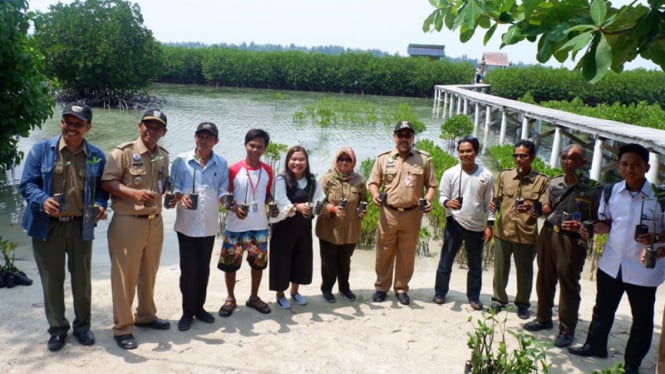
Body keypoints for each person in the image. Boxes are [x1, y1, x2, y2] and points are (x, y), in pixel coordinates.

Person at [569, 143, 665, 374]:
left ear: (647, 167)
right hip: (612, 264)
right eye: (624, 164)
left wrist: (656, 236)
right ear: (619, 165)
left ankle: (632, 363)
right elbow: (607, 224)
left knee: (642, 319)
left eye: (636, 165)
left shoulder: (660, 197)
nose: (629, 169)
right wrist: (591, 229)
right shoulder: (611, 191)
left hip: (644, 268)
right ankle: (595, 345)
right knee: (602, 308)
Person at [20, 103, 108, 352]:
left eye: (77, 123)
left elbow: (102, 191)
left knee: (82, 281)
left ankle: (82, 327)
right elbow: (27, 184)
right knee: (52, 281)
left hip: (81, 227)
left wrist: (100, 206)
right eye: (67, 121)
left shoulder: (96, 156)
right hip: (46, 226)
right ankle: (58, 329)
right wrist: (42, 200)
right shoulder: (40, 150)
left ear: (88, 128)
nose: (71, 127)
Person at [101, 109, 170, 350]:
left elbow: (164, 185)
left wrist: (172, 195)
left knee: (149, 272)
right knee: (124, 278)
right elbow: (107, 181)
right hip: (127, 221)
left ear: (164, 132)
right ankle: (123, 327)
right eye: (148, 126)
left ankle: (146, 315)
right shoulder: (124, 153)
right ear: (139, 126)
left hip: (155, 220)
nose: (152, 131)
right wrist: (133, 193)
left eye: (157, 127)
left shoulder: (163, 155)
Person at [523, 144, 602, 348]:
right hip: (549, 234)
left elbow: (600, 219)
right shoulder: (555, 182)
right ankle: (543, 318)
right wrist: (536, 211)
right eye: (564, 157)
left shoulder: (593, 188)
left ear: (583, 163)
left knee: (568, 284)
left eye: (574, 158)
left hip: (572, 241)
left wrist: (583, 225)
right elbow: (548, 206)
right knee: (544, 278)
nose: (568, 161)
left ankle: (567, 330)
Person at [367, 120, 437, 305]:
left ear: (413, 138)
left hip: (412, 214)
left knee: (407, 253)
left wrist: (428, 200)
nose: (404, 139)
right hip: (388, 212)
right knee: (384, 251)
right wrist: (375, 195)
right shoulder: (383, 159)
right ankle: (381, 287)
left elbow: (431, 185)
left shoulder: (423, 159)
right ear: (394, 137)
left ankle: (401, 288)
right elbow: (373, 182)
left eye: (408, 135)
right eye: (401, 135)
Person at [170, 122, 229, 331]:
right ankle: (187, 311)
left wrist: (226, 201)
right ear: (195, 137)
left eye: (209, 137)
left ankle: (200, 308)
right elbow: (173, 187)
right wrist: (180, 196)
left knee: (203, 268)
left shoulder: (221, 163)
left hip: (209, 225)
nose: (204, 140)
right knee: (188, 270)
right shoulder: (180, 161)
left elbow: (222, 190)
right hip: (187, 224)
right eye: (200, 136)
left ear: (216, 141)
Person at [432, 136, 494, 311]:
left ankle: (473, 297)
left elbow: (491, 203)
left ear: (476, 152)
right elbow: (441, 195)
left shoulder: (486, 175)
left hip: (476, 226)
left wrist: (490, 226)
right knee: (446, 261)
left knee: (475, 265)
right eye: (461, 151)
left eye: (468, 151)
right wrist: (447, 203)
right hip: (454, 223)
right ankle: (440, 293)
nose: (465, 154)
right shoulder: (450, 173)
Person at [489, 139, 549, 319]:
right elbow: (496, 200)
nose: (518, 159)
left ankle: (522, 304)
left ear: (532, 157)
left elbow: (545, 208)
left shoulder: (542, 181)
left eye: (523, 156)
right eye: (516, 155)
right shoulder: (505, 176)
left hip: (526, 234)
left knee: (525, 272)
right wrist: (493, 207)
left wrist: (532, 206)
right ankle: (498, 300)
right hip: (503, 231)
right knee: (500, 270)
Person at [217, 129, 274, 316]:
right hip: (236, 227)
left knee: (258, 265)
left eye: (260, 147)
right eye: (252, 145)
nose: (255, 150)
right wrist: (233, 207)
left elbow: (266, 194)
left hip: (259, 227)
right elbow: (223, 196)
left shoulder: (268, 170)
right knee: (230, 265)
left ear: (265, 149)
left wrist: (271, 204)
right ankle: (230, 297)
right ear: (245, 145)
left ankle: (254, 297)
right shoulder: (234, 169)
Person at [269, 146, 323, 309]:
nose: (297, 163)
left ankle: (295, 291)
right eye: (293, 159)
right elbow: (281, 201)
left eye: (301, 159)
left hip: (303, 226)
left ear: (306, 162)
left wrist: (314, 207)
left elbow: (319, 199)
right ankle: (280, 294)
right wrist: (296, 207)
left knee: (301, 258)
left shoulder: (312, 180)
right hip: (283, 226)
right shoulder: (281, 180)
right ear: (287, 161)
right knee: (282, 260)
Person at [315, 147, 368, 303]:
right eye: (341, 159)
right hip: (329, 229)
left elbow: (364, 201)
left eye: (348, 159)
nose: (344, 162)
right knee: (328, 262)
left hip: (351, 229)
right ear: (336, 160)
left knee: (345, 261)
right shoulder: (326, 179)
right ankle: (327, 289)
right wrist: (331, 208)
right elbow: (317, 204)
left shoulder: (359, 180)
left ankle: (344, 288)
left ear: (353, 162)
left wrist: (363, 211)